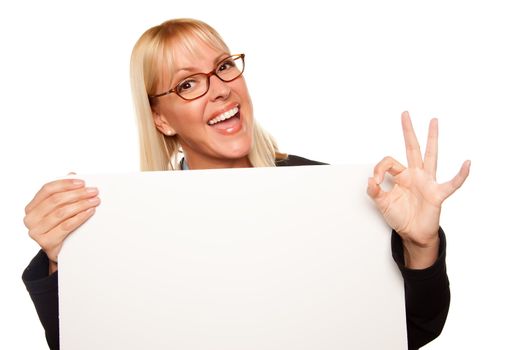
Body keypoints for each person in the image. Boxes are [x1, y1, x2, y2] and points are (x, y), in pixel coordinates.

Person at [21, 18, 470, 350]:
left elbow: (413, 330)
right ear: (160, 118)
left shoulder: (330, 193)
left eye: (223, 67)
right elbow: (84, 342)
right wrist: (68, 259)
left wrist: (420, 244)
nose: (219, 89)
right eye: (189, 84)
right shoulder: (131, 221)